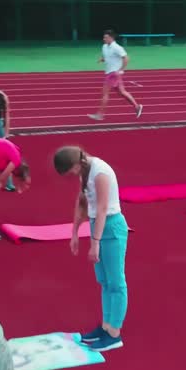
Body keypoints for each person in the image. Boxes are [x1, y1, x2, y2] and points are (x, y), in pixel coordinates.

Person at [54, 146, 128, 352]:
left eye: (70, 172)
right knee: (104, 281)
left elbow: (103, 208)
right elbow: (82, 202)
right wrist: (75, 232)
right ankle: (105, 327)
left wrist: (94, 242)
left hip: (111, 226)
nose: (72, 176)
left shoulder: (100, 172)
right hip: (99, 224)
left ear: (77, 164)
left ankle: (114, 334)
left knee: (116, 281)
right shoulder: (85, 172)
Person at [88, 30, 142, 121]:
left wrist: (121, 70)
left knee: (105, 93)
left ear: (111, 38)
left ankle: (100, 115)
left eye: (106, 37)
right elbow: (106, 56)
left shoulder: (117, 47)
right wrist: (102, 59)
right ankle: (137, 106)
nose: (104, 39)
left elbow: (126, 58)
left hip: (113, 74)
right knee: (122, 92)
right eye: (104, 37)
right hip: (109, 72)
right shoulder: (104, 46)